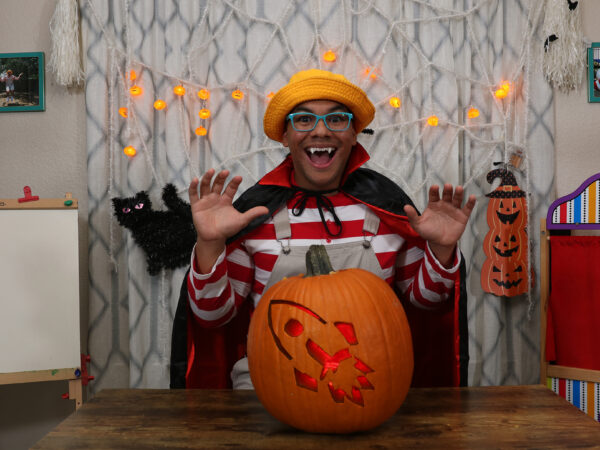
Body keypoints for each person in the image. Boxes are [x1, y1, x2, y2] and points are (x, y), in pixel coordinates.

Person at [171, 69, 476, 390]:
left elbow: (426, 303)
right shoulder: (255, 215)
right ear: (285, 136)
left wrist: (441, 250)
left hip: (370, 384)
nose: (320, 131)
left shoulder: (389, 209)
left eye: (336, 119)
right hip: (270, 387)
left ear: (354, 133)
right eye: (303, 120)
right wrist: (210, 243)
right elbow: (212, 318)